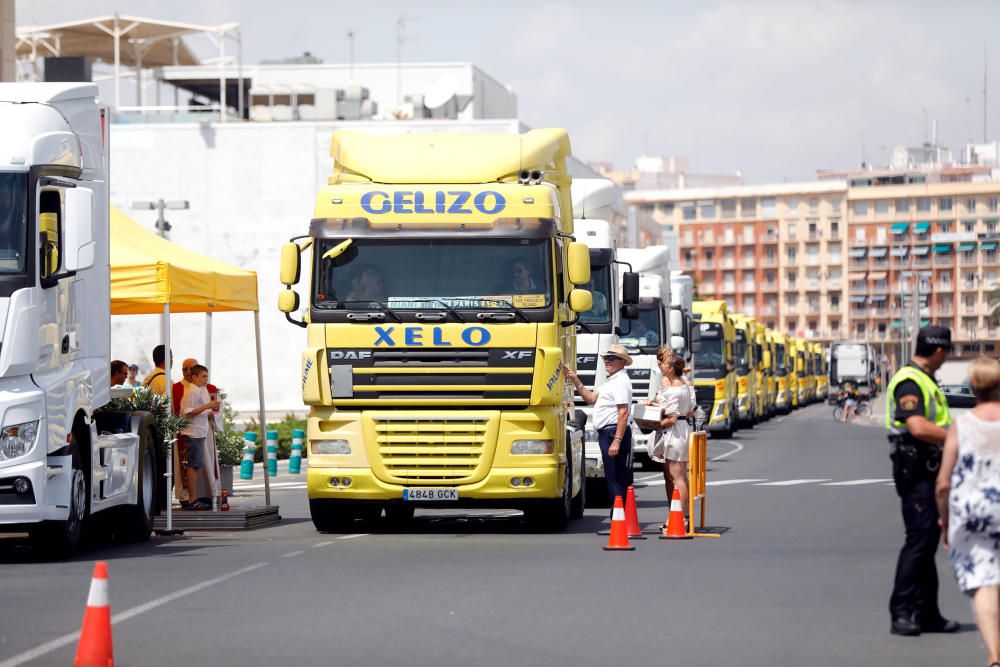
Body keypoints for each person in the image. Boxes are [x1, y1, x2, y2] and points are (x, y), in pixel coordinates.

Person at [885, 325, 959, 636]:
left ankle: (928, 612)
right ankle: (902, 611)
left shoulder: (926, 380)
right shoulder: (910, 381)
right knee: (918, 541)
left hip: (928, 471)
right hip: (916, 473)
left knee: (927, 541)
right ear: (939, 351)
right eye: (948, 351)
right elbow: (917, 426)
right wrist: (960, 438)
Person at [936, 357, 1000, 666]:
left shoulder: (962, 425)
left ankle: (995, 655)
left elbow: (943, 483)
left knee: (984, 583)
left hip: (974, 512)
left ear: (973, 388)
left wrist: (944, 523)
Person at [564, 344, 633, 504]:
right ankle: (618, 518)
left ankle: (618, 519)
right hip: (608, 432)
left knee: (616, 478)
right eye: (605, 358)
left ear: (622, 362)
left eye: (611, 358)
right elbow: (591, 398)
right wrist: (574, 379)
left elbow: (623, 412)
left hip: (613, 432)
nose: (606, 361)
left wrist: (617, 440)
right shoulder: (611, 381)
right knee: (613, 476)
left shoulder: (621, 381)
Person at [647, 351, 693, 531]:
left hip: (675, 432)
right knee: (678, 476)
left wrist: (655, 424)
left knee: (677, 477)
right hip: (682, 429)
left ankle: (680, 519)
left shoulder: (675, 391)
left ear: (672, 370)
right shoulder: (684, 387)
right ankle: (681, 517)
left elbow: (672, 418)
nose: (662, 367)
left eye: (665, 365)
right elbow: (688, 410)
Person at [178, 365, 220, 511]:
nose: (206, 379)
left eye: (207, 376)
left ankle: (193, 497)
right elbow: (188, 412)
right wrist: (207, 406)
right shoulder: (192, 392)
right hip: (194, 432)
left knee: (195, 465)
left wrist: (208, 411)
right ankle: (193, 498)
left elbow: (196, 412)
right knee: (193, 466)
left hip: (198, 431)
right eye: (203, 376)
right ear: (194, 377)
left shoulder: (197, 391)